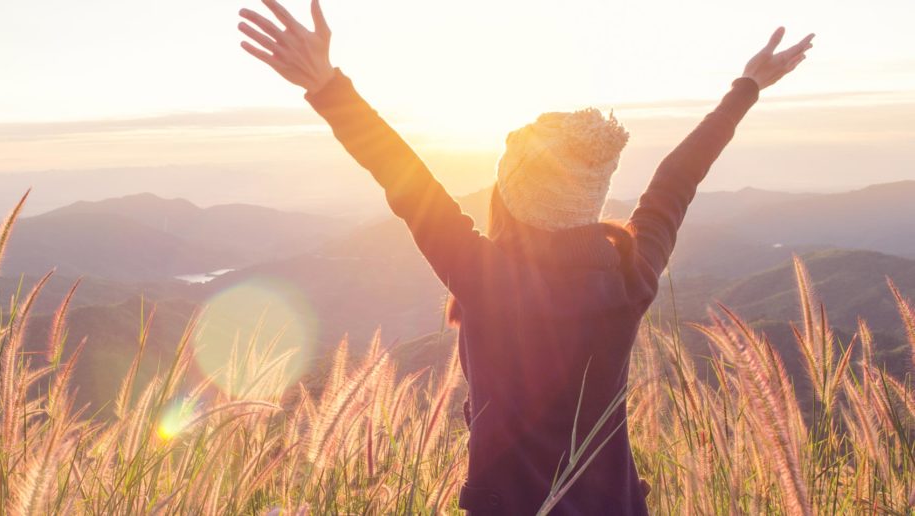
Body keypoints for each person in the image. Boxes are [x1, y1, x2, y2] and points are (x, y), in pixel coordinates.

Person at [237, 1, 814, 513]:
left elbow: (403, 177)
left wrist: (327, 86)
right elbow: (677, 181)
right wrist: (746, 88)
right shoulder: (632, 271)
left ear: (508, 196)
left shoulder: (488, 279)